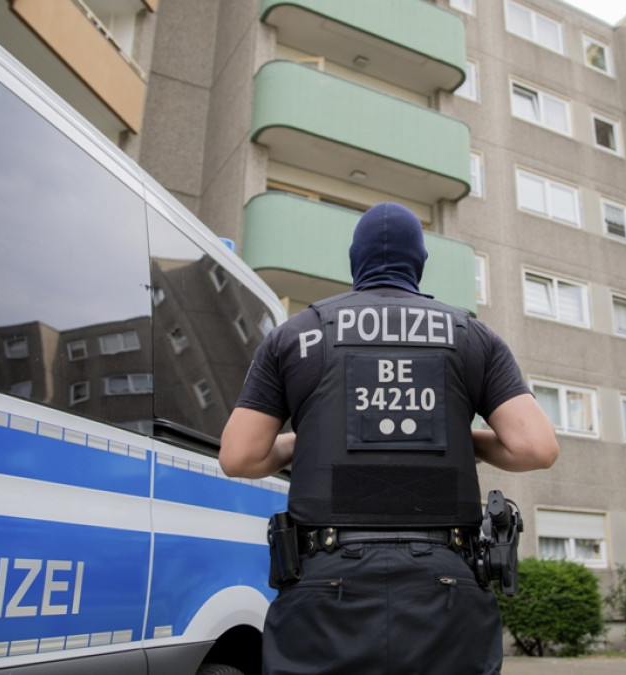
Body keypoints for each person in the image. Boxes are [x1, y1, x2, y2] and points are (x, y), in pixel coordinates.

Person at [219, 202, 558, 674]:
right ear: (419, 262)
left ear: (354, 260)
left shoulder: (297, 335)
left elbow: (239, 456)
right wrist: (460, 439)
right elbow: (536, 448)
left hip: (324, 589)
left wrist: (308, 439)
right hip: (445, 592)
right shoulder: (472, 337)